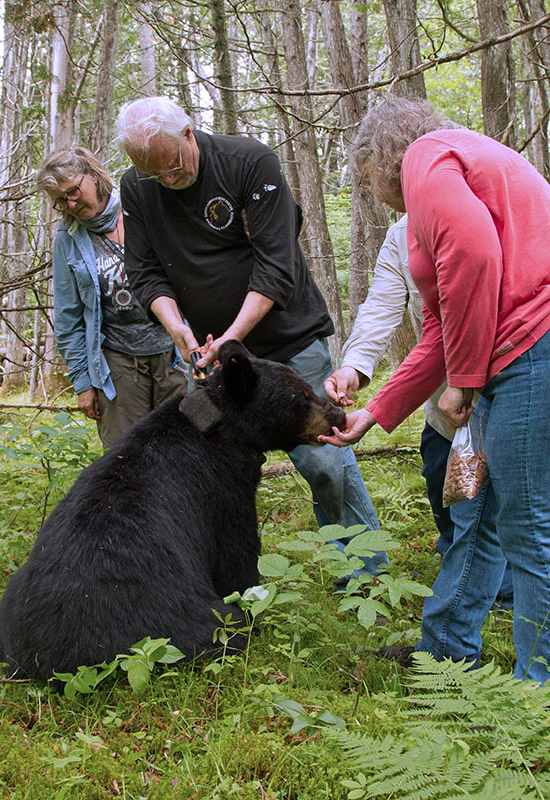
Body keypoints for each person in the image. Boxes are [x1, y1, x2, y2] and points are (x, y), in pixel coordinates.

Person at [322, 94, 550, 683]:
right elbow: (439, 334)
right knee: (512, 521)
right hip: (518, 351)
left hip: (534, 342)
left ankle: (534, 692)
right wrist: (373, 413)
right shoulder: (438, 196)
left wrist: (466, 383)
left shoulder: (428, 157)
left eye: (365, 174)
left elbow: (475, 256)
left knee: (526, 529)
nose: (370, 189)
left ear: (381, 155)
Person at [114, 96, 386, 577]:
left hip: (287, 340)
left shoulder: (248, 162)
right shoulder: (137, 186)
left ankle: (365, 577)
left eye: (172, 167)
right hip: (213, 360)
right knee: (201, 456)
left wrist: (233, 338)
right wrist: (177, 326)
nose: (167, 180)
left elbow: (276, 265)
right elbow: (144, 271)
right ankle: (215, 572)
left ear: (189, 134)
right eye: (155, 174)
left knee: (325, 459)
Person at [324, 217, 512, 605]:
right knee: (442, 485)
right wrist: (355, 365)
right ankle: (463, 575)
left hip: (510, 388)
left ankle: (501, 594)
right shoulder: (399, 235)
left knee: (502, 507)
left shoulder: (488, 213)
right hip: (444, 405)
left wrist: (376, 412)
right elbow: (385, 307)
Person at [37, 146, 187, 449]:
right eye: (61, 201)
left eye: (74, 191)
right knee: (126, 457)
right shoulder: (69, 238)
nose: (70, 204)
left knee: (184, 449)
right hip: (116, 362)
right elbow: (68, 318)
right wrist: (82, 383)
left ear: (92, 176)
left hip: (174, 353)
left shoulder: (141, 206)